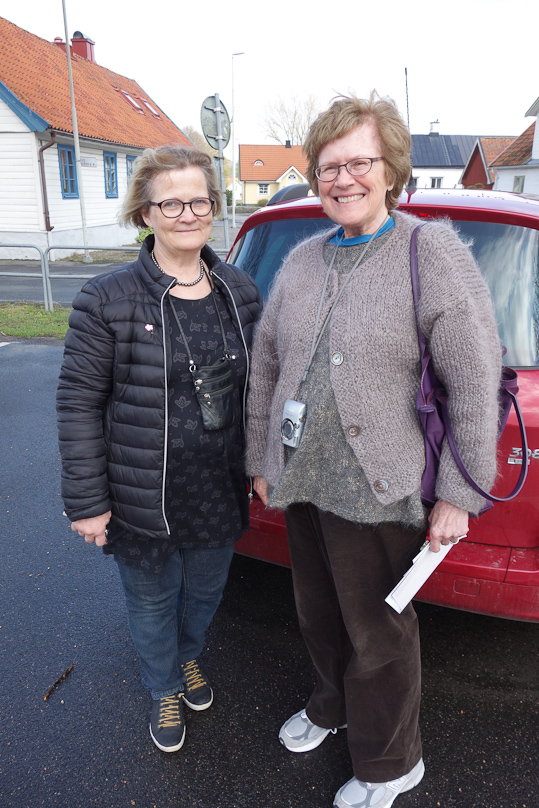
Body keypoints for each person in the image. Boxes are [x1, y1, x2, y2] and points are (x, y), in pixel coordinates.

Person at [245, 93, 502, 808]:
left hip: (379, 486)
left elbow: (473, 377)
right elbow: (267, 365)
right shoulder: (300, 260)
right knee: (317, 612)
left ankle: (392, 763)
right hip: (303, 480)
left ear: (390, 169)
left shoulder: (430, 252)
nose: (342, 179)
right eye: (327, 166)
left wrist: (458, 492)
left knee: (378, 633)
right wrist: (262, 460)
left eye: (359, 162)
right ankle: (330, 707)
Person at [57, 145, 262, 754]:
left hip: (218, 487)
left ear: (213, 208)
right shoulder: (107, 299)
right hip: (143, 491)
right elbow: (77, 406)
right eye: (169, 202)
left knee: (204, 593)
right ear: (145, 213)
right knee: (151, 598)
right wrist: (87, 503)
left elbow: (260, 389)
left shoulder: (239, 291)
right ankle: (163, 685)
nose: (186, 213)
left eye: (198, 200)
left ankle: (189, 655)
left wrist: (261, 466)